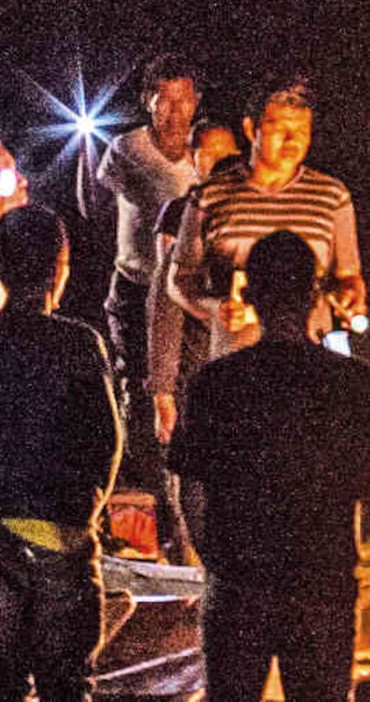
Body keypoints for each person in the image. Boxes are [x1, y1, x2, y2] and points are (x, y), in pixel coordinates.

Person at [168, 230, 370, 701]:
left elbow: (190, 488)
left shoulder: (216, 383)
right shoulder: (356, 385)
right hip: (321, 588)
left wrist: (218, 563)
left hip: (239, 588)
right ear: (314, 296)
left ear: (250, 295)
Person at [0, 206, 122, 702]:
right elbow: (106, 443)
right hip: (62, 544)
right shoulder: (79, 344)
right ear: (60, 269)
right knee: (67, 687)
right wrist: (84, 514)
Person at [169, 74, 367, 360]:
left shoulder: (332, 196)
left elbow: (348, 275)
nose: (291, 140)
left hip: (312, 358)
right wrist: (216, 308)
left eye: (302, 131)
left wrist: (350, 297)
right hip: (237, 361)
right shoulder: (209, 197)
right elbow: (179, 279)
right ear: (252, 129)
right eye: (279, 128)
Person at [94, 53, 201, 554]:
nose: (175, 111)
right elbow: (100, 204)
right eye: (165, 100)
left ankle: (186, 516)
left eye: (184, 99)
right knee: (140, 394)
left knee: (184, 395)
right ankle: (152, 508)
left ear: (196, 102)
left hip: (184, 296)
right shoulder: (127, 150)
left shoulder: (205, 154)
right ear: (148, 102)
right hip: (136, 286)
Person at [147, 120, 240, 447]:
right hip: (199, 359)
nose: (218, 161)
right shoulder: (183, 213)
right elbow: (166, 299)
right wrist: (163, 391)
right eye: (208, 153)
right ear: (191, 156)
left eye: (225, 153)